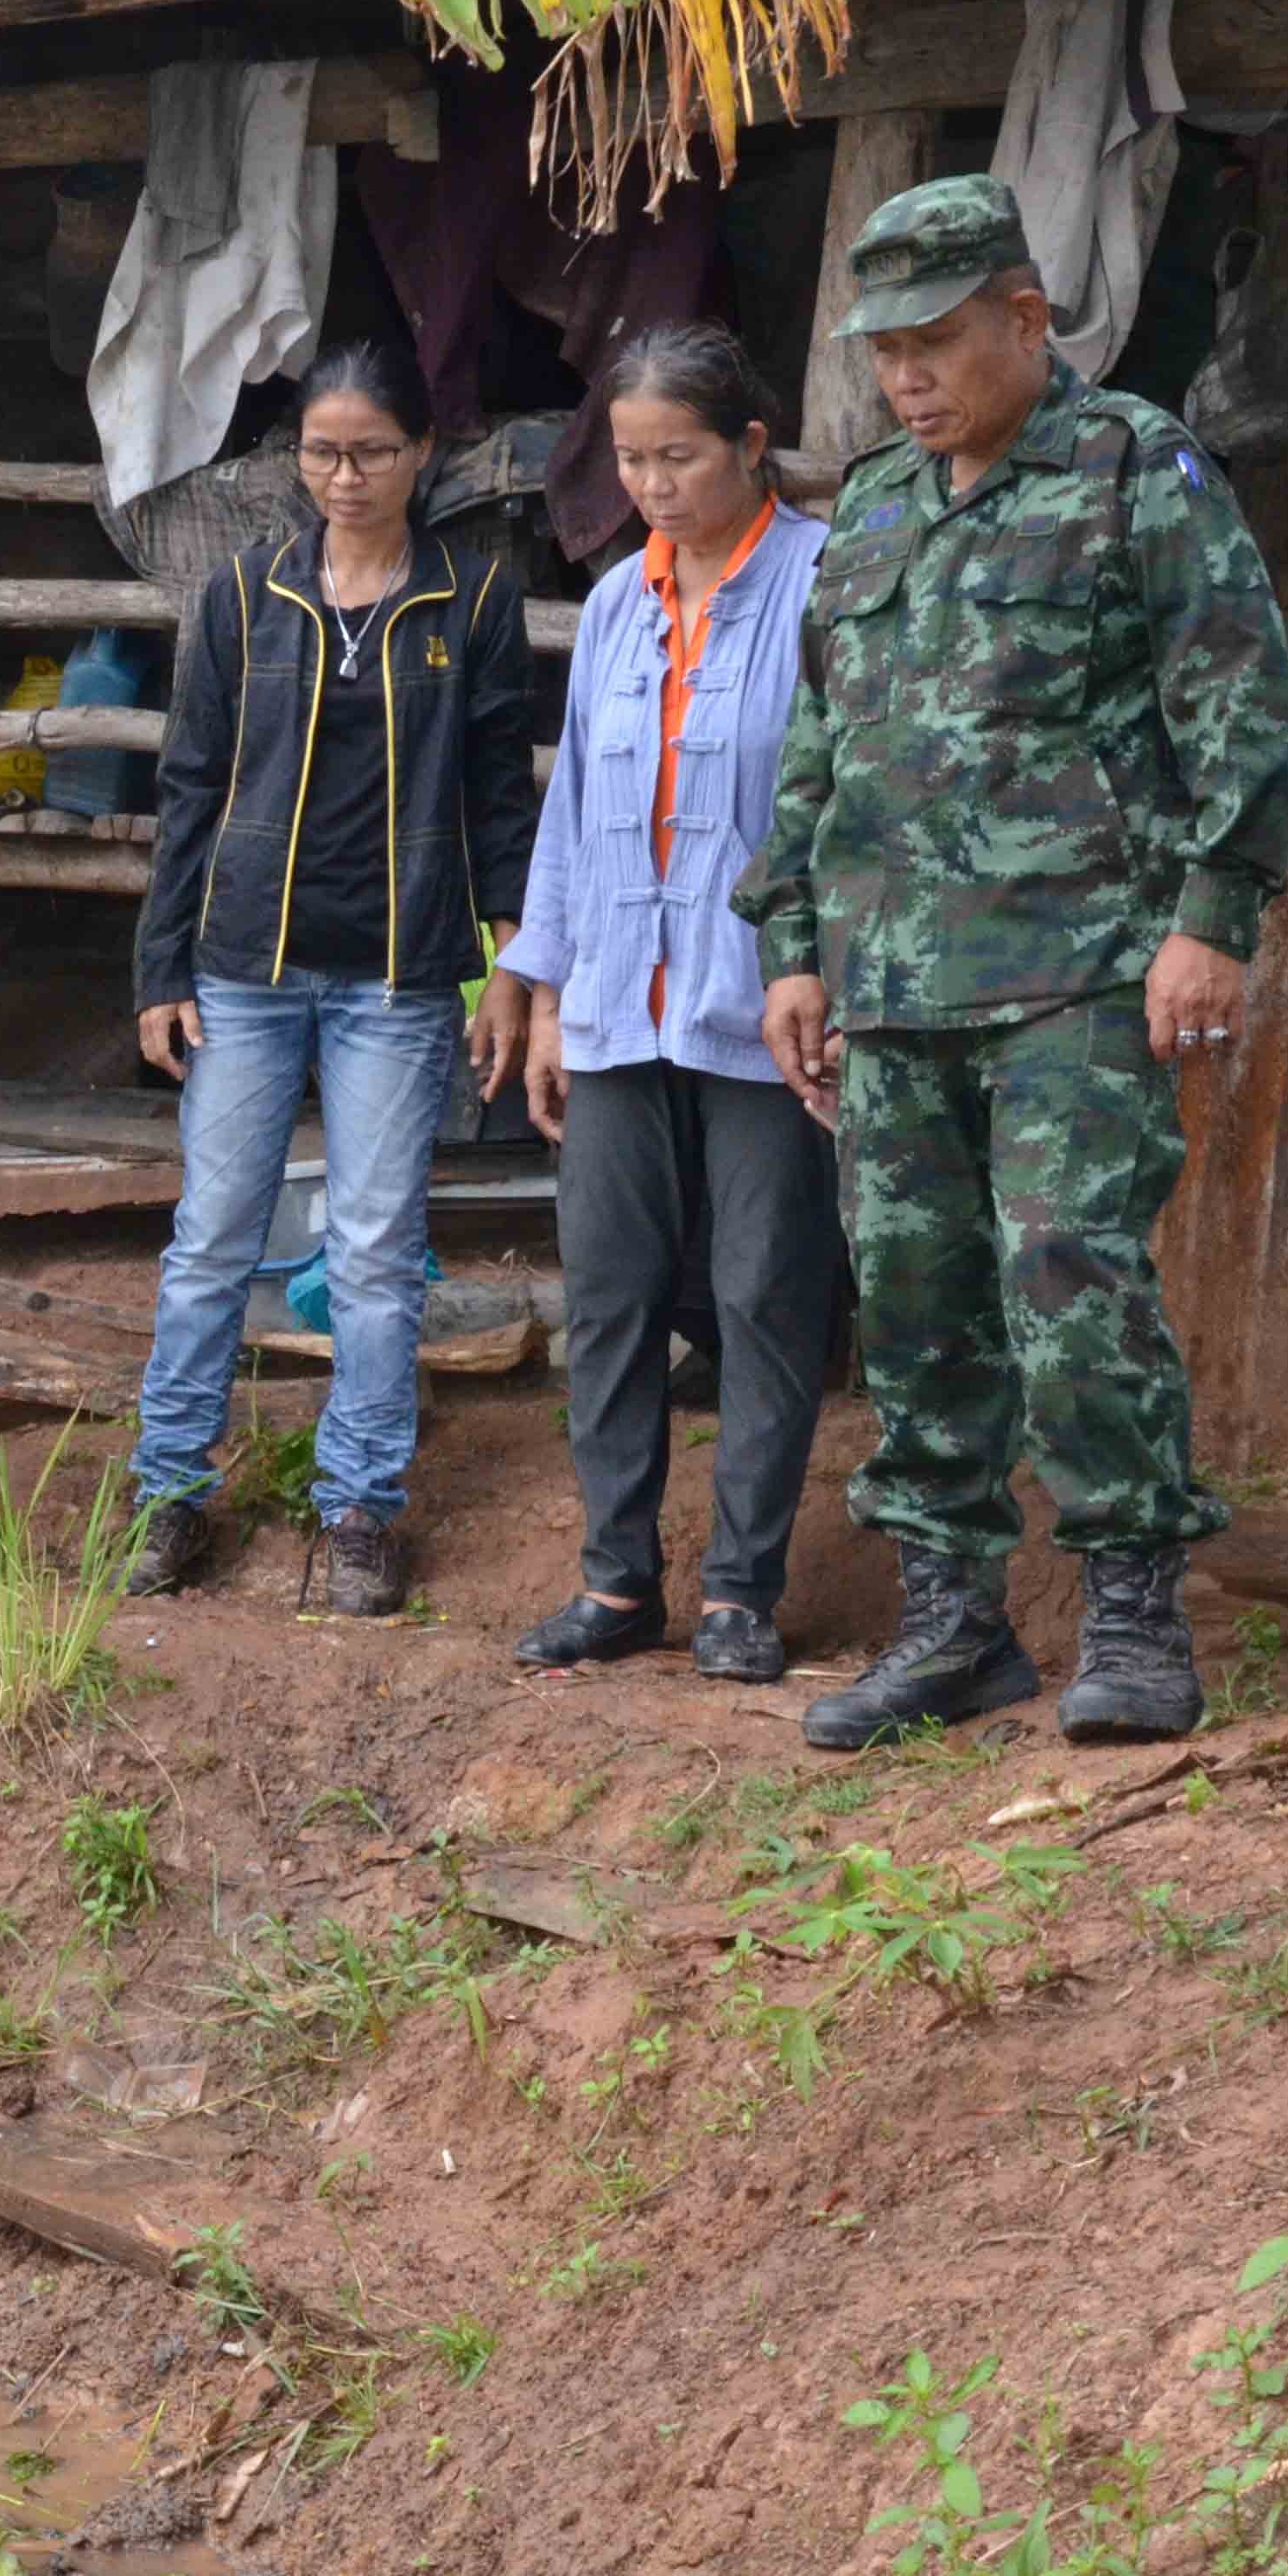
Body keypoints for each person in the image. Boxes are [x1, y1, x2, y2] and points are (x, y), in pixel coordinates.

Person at [738, 175, 1288, 1753]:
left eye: (930, 341)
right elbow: (818, 744)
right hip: (889, 986)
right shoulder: (865, 507)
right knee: (911, 1299)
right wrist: (790, 943)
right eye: (881, 351)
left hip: (1079, 970)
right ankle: (951, 1623)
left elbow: (1238, 698)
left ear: (1022, 316)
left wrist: (1211, 915)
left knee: (1069, 1276)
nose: (902, 377)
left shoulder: (1133, 465)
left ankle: (1129, 1609)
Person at [125, 340, 541, 1617]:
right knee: (211, 1241)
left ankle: (359, 1507)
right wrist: (161, 966)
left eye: (371, 451)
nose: (345, 476)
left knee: (373, 1251)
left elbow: (497, 799)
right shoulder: (243, 598)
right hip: (245, 967)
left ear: (424, 454)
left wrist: (506, 966)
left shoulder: (472, 602)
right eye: (321, 451)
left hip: (402, 981)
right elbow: (190, 787)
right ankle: (169, 1493)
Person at [477, 324, 841, 1686]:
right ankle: (618, 1581)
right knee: (615, 1291)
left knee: (762, 1292)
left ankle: (744, 1590)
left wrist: (836, 976)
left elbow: (848, 804)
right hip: (624, 1000)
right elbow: (574, 803)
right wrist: (554, 989)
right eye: (630, 461)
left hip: (766, 1006)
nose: (653, 486)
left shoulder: (821, 585)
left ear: (752, 446)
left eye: (678, 456)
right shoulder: (625, 597)